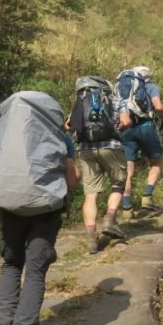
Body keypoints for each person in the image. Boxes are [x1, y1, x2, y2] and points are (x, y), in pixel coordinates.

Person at [0, 92, 79, 325]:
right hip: (45, 211)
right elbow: (71, 179)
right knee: (35, 271)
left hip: (9, 207)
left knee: (12, 264)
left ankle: (3, 324)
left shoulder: (5, 134)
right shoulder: (60, 137)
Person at [67, 76, 132, 255]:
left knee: (90, 195)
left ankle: (91, 238)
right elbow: (126, 121)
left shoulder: (79, 102)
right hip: (112, 147)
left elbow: (68, 126)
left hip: (86, 151)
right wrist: (117, 129)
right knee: (118, 184)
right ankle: (110, 219)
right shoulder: (116, 100)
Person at [120, 65, 163, 211]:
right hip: (145, 126)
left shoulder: (124, 88)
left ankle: (126, 206)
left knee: (129, 167)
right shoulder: (150, 86)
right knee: (156, 161)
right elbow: (159, 107)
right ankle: (147, 197)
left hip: (126, 127)